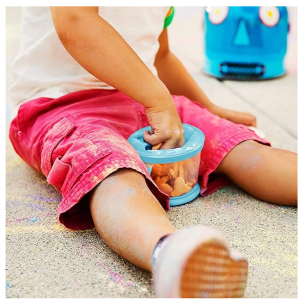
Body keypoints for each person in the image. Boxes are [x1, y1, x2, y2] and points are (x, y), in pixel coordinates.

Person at [9, 6, 297, 298]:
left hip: (144, 100)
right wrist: (158, 100)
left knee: (240, 147)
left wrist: (208, 110)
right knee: (113, 175)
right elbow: (75, 20)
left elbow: (160, 55)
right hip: (63, 106)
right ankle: (171, 254)